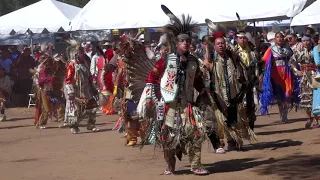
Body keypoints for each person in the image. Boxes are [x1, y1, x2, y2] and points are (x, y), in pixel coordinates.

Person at [142, 8, 209, 175]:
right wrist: (150, 98)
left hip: (187, 105)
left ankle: (195, 165)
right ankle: (170, 166)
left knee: (195, 132)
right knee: (167, 137)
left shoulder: (194, 62)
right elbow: (152, 78)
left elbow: (198, 82)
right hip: (168, 105)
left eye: (188, 41)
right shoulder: (166, 59)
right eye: (182, 41)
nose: (185, 43)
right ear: (177, 43)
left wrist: (204, 93)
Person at [260, 32, 298, 123]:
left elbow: (293, 60)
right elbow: (264, 61)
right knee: (279, 96)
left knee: (288, 93)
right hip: (276, 73)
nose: (280, 39)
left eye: (281, 37)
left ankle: (285, 116)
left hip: (286, 72)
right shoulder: (271, 49)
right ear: (275, 39)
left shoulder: (288, 48)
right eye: (277, 37)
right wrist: (263, 74)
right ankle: (282, 116)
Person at [64, 39, 99, 134]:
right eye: (81, 53)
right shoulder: (72, 64)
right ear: (76, 54)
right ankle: (74, 126)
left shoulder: (85, 63)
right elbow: (68, 79)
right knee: (75, 110)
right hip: (76, 92)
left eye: (83, 53)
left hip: (87, 90)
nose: (83, 55)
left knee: (92, 108)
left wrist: (93, 88)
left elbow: (89, 77)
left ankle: (91, 124)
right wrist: (70, 92)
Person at [34, 54, 66, 129]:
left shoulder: (57, 70)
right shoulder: (43, 70)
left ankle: (61, 122)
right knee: (46, 109)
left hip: (55, 91)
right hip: (46, 92)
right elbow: (40, 81)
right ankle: (40, 123)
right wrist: (50, 79)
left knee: (60, 105)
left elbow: (62, 75)